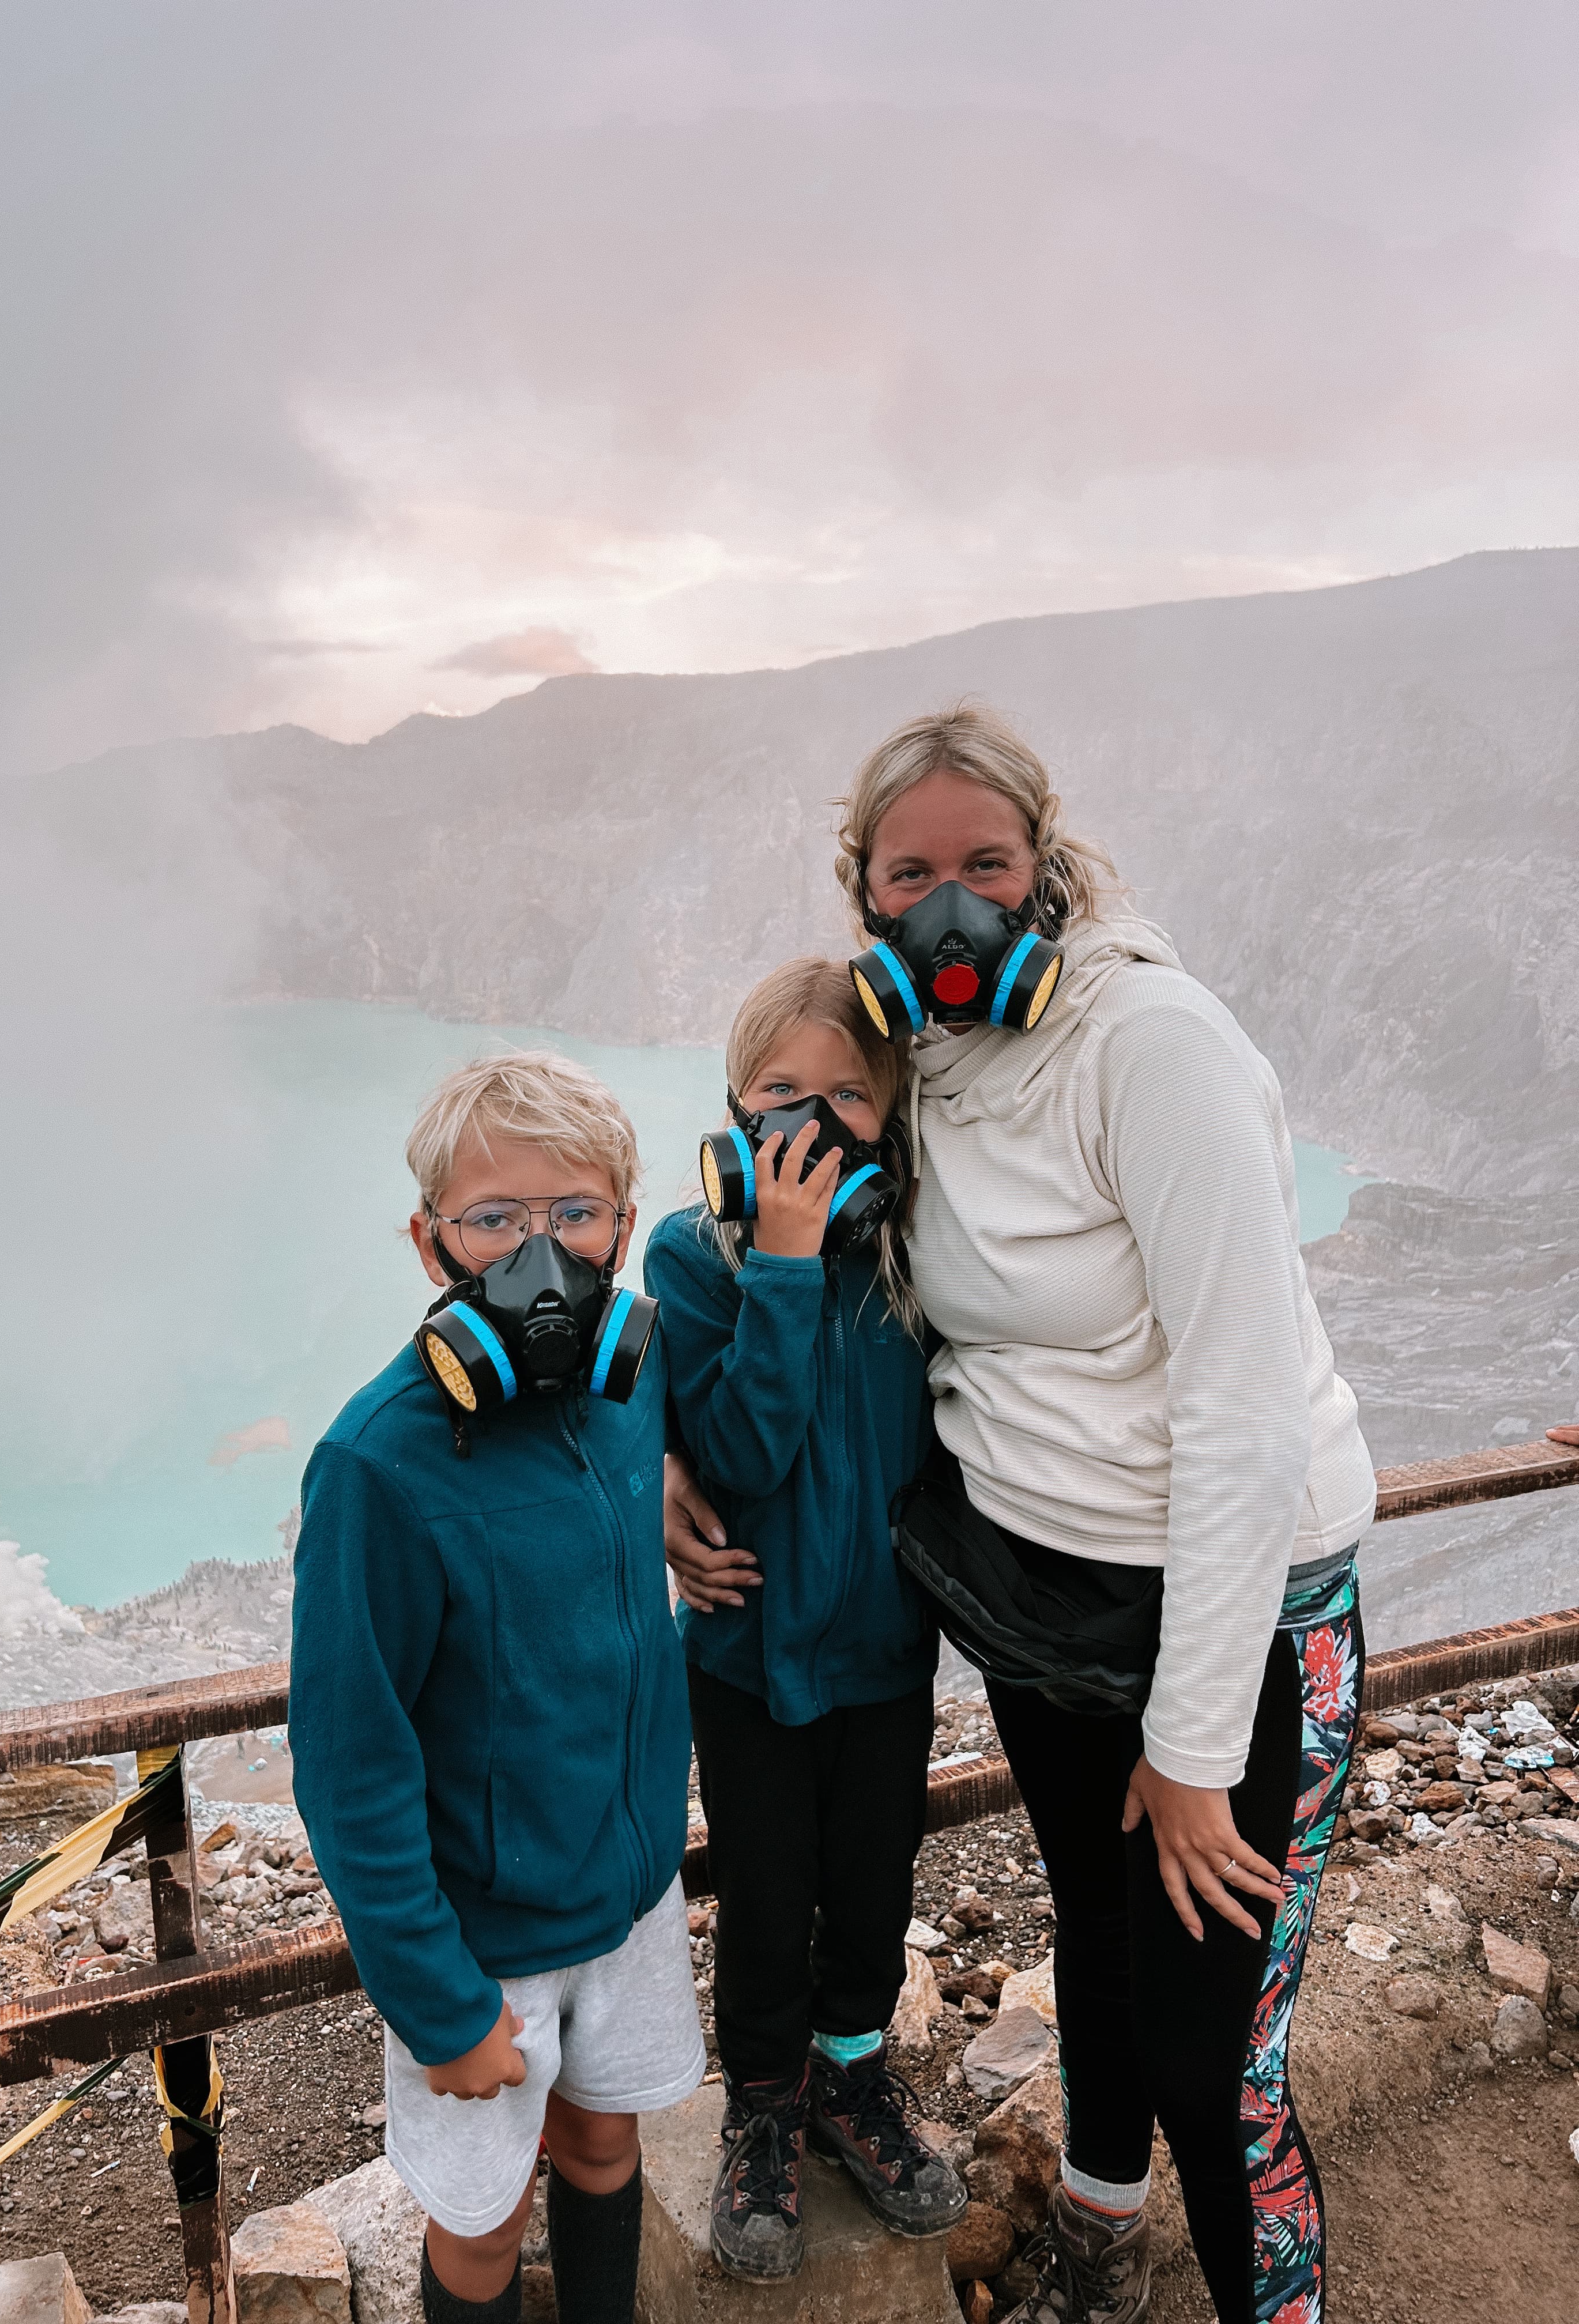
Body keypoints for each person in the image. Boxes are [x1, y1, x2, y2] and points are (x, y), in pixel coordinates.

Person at [666, 705, 1378, 2324]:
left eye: (986, 863)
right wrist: (654, 1454)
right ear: (865, 899)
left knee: (1218, 2066)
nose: (951, 903)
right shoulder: (923, 1063)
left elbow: (1245, 1407)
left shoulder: (1155, 1046)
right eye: (909, 872)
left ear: (1045, 865)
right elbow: (782, 1268)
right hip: (1044, 1613)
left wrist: (1192, 1748)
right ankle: (1098, 2262)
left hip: (1236, 1620)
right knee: (1103, 1967)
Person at [291, 1051, 703, 2324]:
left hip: (628, 1905)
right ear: (432, 1247)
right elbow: (352, 1768)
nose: (544, 1253)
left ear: (625, 1226)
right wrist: (443, 2008)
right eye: (495, 1221)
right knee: (479, 2221)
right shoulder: (376, 1464)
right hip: (483, 1949)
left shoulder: (634, 1397)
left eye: (576, 1213)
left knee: (604, 2151)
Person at [645, 957, 966, 2278]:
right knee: (769, 1899)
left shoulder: (916, 1251)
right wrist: (782, 1267)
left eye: (850, 1094)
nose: (816, 1122)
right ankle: (764, 2105)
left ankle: (852, 2079)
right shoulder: (695, 1252)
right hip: (746, 1657)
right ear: (733, 1108)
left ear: (893, 1117)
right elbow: (741, 1457)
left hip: (889, 1654)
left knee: (874, 1887)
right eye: (783, 1091)